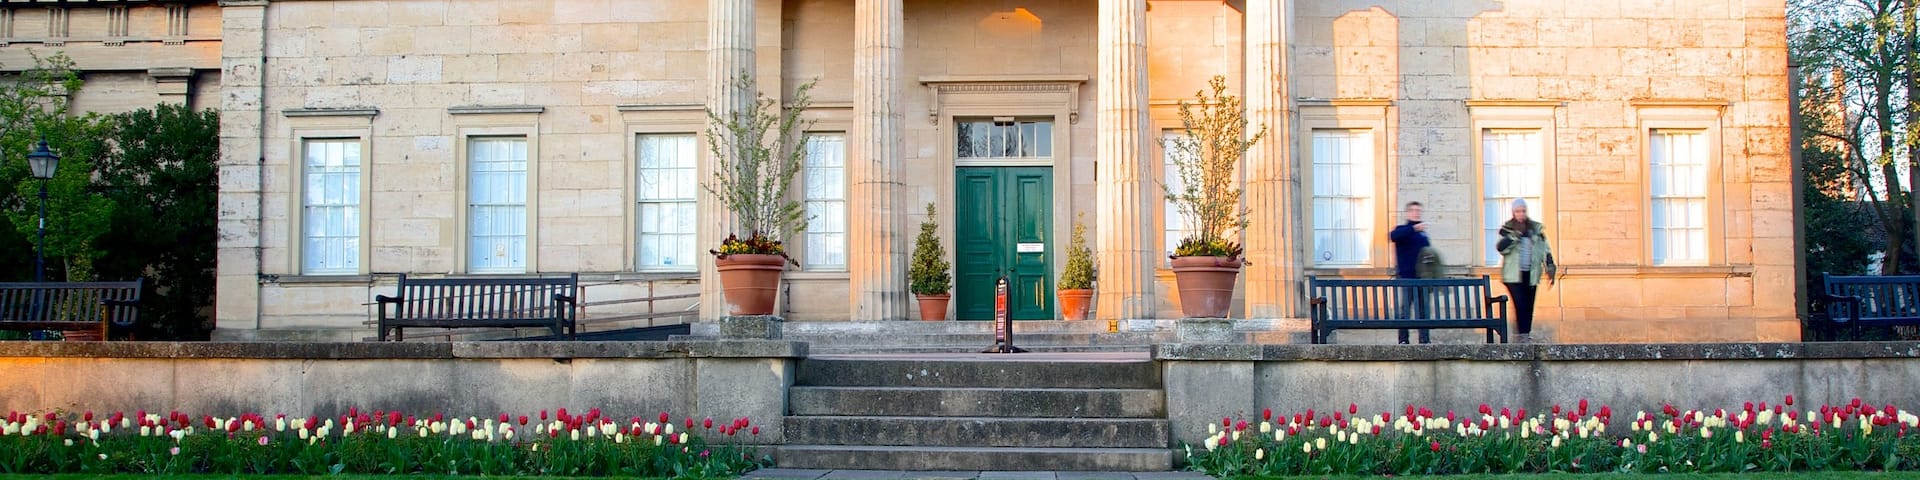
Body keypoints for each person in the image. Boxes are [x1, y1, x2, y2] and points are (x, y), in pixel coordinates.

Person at [1496, 198, 1553, 343]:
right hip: (1513, 275)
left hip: (1531, 273)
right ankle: (1520, 336)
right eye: (1517, 211)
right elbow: (1501, 248)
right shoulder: (1508, 229)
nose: (1520, 214)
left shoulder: (1535, 229)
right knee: (1520, 304)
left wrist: (1550, 266)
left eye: (1523, 211)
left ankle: (1525, 335)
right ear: (1513, 213)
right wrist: (1515, 235)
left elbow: (1545, 248)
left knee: (1529, 305)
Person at [1388, 201, 1432, 343]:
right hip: (1407, 276)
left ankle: (1424, 340)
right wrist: (1413, 228)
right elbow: (1393, 236)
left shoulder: (1423, 235)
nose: (1416, 213)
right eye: (1413, 210)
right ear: (1408, 213)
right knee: (1405, 311)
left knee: (1423, 311)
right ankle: (1403, 340)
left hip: (1422, 277)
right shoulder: (1404, 229)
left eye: (1418, 210)